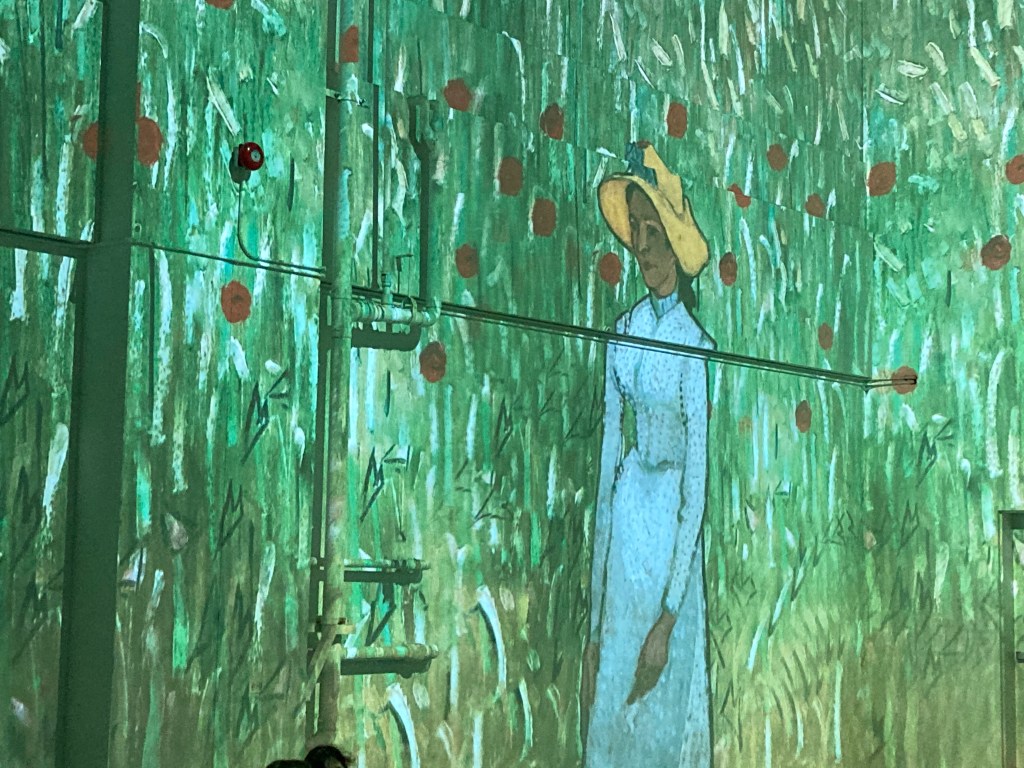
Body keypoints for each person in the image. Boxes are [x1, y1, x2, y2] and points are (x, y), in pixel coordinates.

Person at [582, 142, 714, 766]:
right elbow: (609, 460)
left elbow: (697, 485)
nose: (641, 245)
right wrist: (593, 628)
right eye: (634, 229)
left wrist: (668, 615)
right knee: (612, 719)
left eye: (652, 231)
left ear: (675, 244)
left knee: (662, 715)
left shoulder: (695, 346)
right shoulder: (623, 333)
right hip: (628, 531)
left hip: (670, 548)